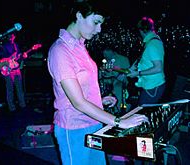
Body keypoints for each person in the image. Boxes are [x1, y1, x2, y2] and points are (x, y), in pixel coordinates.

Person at [47, 1, 149, 165]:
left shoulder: (80, 46)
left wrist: (98, 101)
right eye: (96, 22)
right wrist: (119, 122)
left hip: (93, 122)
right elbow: (78, 102)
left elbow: (80, 92)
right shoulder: (60, 51)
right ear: (79, 15)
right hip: (74, 128)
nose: (99, 29)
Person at [127, 16, 166, 106]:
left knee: (143, 112)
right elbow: (145, 57)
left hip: (153, 86)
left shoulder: (152, 44)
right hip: (152, 85)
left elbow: (158, 68)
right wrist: (133, 67)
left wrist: (138, 73)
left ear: (140, 30)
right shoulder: (152, 41)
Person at [0, 33, 27, 112]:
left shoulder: (16, 45)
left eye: (12, 35)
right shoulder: (4, 45)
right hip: (8, 70)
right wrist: (0, 63)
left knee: (19, 88)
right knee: (10, 89)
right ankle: (11, 108)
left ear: (14, 37)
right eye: (10, 35)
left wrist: (24, 56)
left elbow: (18, 57)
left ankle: (22, 105)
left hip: (16, 69)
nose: (11, 37)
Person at [100, 48, 130, 114]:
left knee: (117, 86)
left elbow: (128, 72)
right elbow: (102, 72)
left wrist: (115, 69)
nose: (104, 55)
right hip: (107, 80)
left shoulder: (122, 59)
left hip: (120, 80)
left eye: (106, 52)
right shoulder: (104, 60)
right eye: (104, 53)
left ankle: (118, 110)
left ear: (111, 51)